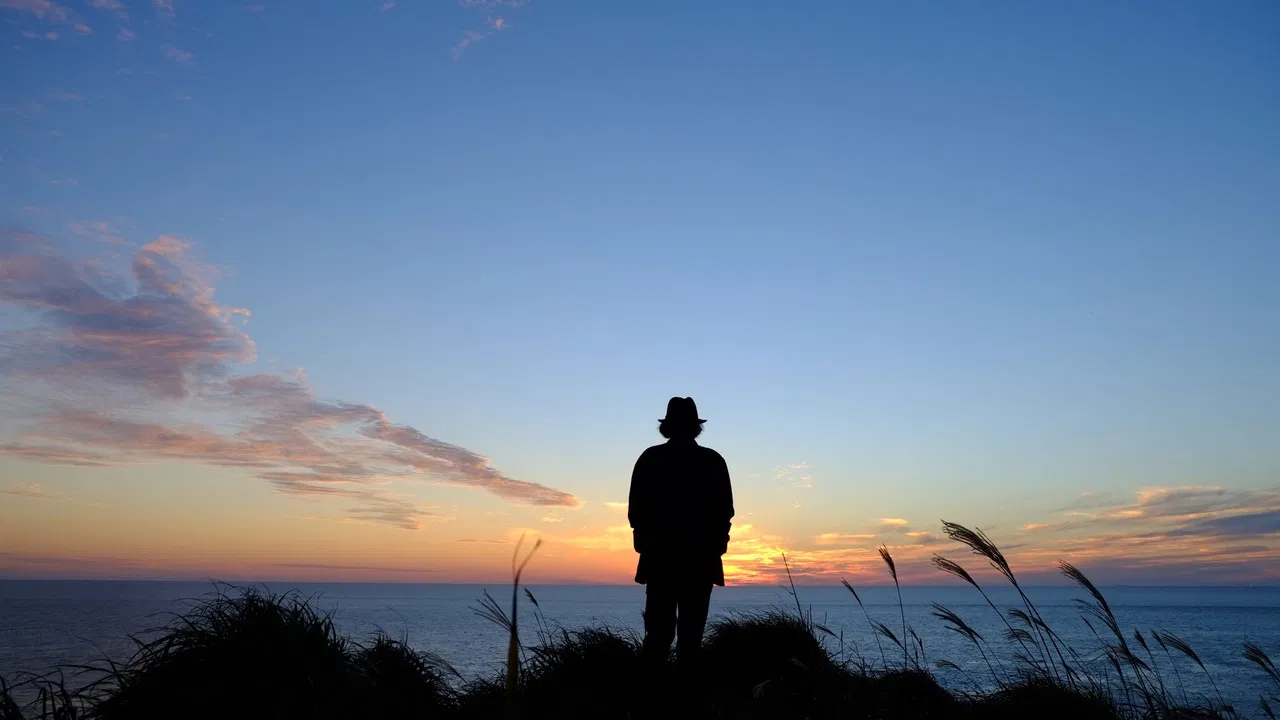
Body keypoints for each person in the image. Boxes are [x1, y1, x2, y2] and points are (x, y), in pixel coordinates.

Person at [628, 396, 734, 699]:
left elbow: (636, 512)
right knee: (691, 639)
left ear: (667, 425)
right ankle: (686, 704)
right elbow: (725, 512)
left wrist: (646, 546)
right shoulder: (713, 461)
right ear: (696, 426)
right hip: (699, 562)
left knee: (658, 638)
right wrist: (716, 547)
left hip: (661, 560)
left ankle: (650, 703)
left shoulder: (650, 459)